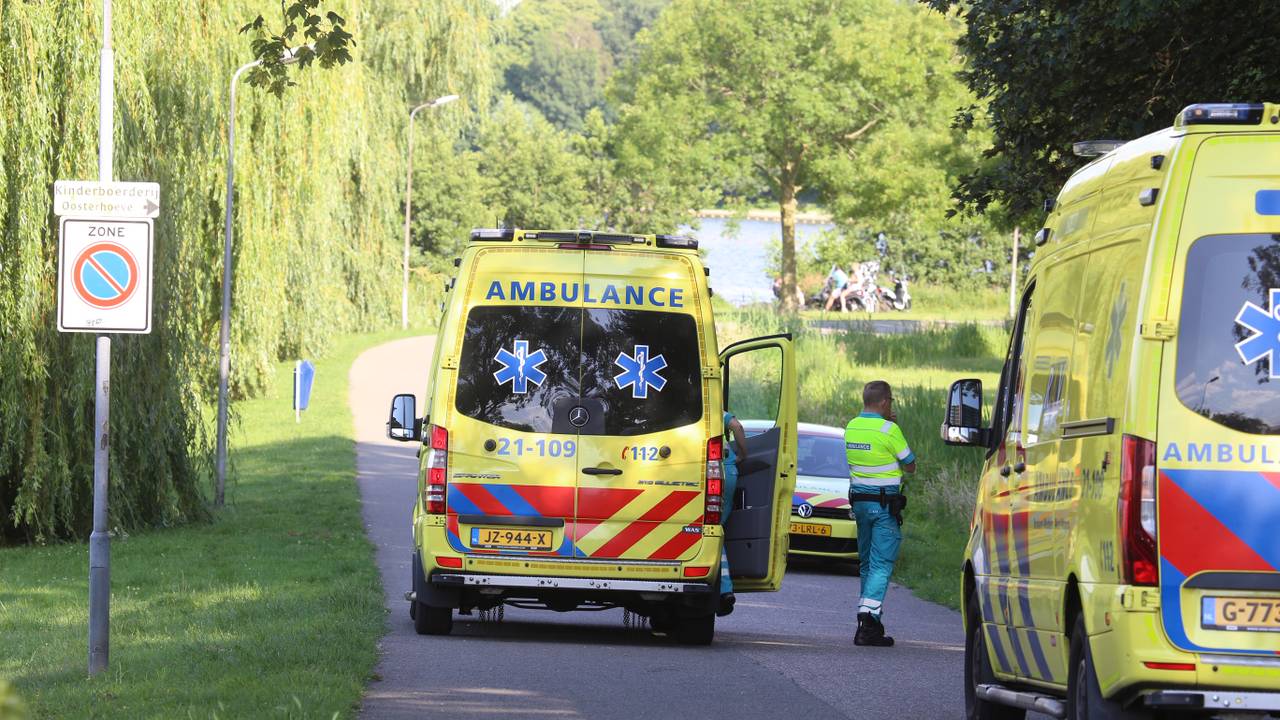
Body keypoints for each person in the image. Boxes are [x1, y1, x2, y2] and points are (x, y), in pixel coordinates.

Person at [844, 380, 916, 646]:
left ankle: (869, 623)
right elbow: (910, 465)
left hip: (860, 505)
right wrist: (892, 427)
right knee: (882, 564)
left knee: (866, 563)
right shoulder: (890, 429)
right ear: (885, 402)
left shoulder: (851, 426)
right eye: (891, 402)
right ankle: (868, 619)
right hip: (884, 506)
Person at [717, 410, 748, 616]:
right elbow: (736, 426)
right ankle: (724, 588)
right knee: (716, 528)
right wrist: (743, 454)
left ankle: (724, 588)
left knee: (710, 531)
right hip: (727, 468)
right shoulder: (714, 407)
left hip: (707, 469)